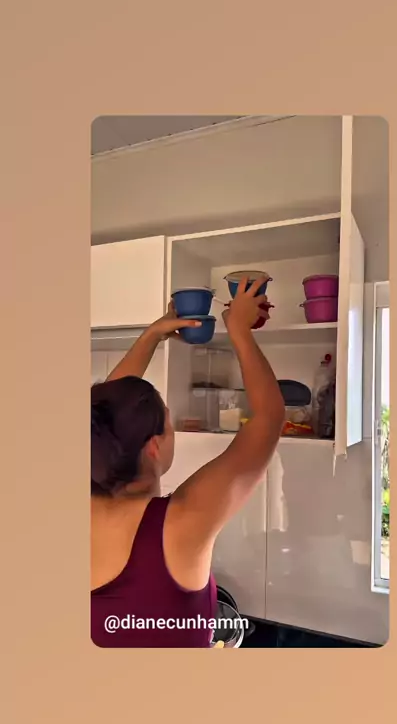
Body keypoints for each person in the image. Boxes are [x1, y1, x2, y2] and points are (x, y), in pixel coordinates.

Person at [91, 275, 285, 647]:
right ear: (154, 447)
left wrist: (153, 334)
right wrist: (238, 328)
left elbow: (102, 414)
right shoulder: (180, 524)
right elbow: (269, 418)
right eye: (168, 421)